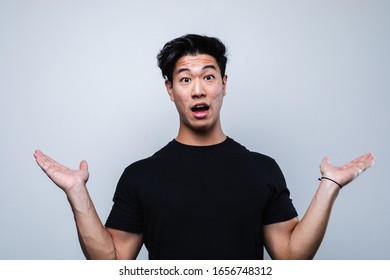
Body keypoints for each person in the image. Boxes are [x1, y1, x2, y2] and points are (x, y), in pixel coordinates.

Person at [34, 34, 374, 260]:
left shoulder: (262, 169)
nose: (198, 90)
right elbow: (111, 262)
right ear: (170, 90)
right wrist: (77, 194)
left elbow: (290, 254)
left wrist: (330, 186)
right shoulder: (140, 176)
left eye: (208, 77)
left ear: (223, 84)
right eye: (185, 79)